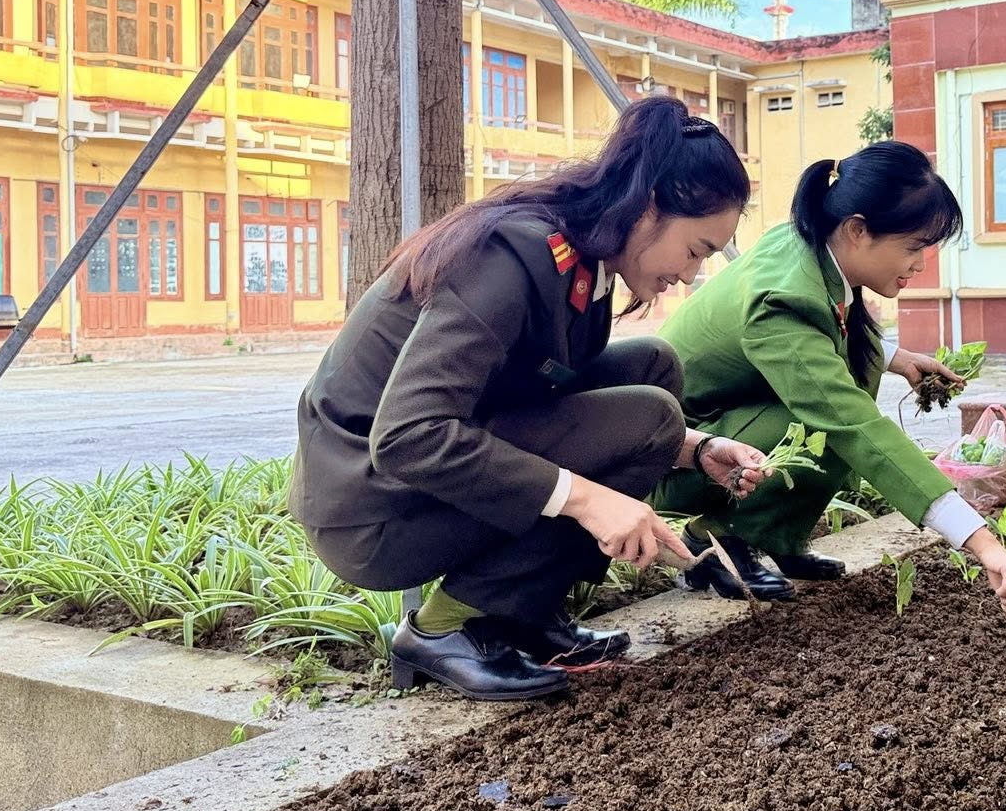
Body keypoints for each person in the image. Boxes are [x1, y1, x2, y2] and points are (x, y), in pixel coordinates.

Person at [288, 97, 770, 703]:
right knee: (650, 417)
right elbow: (409, 436)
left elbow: (554, 400)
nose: (692, 273)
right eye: (696, 250)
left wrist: (696, 450)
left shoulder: (583, 257)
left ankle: (522, 609)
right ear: (650, 208)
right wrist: (588, 500)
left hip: (420, 469)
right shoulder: (511, 255)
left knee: (655, 367)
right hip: (368, 504)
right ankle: (444, 629)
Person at [653, 141, 1006, 616]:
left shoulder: (812, 243)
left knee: (846, 391)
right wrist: (983, 542)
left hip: (725, 420)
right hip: (679, 454)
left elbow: (820, 338)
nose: (920, 264)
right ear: (858, 230)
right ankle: (713, 541)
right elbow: (851, 421)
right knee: (829, 424)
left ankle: (774, 538)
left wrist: (896, 358)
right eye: (914, 247)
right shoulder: (783, 299)